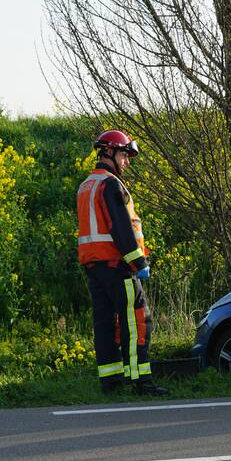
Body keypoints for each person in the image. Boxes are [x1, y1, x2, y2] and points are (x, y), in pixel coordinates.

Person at [77, 129, 167, 397]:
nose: (127, 162)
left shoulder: (86, 185)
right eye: (124, 156)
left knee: (104, 324)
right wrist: (139, 262)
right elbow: (120, 227)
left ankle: (111, 381)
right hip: (118, 266)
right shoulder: (110, 184)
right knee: (136, 320)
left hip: (94, 268)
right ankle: (141, 381)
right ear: (109, 152)